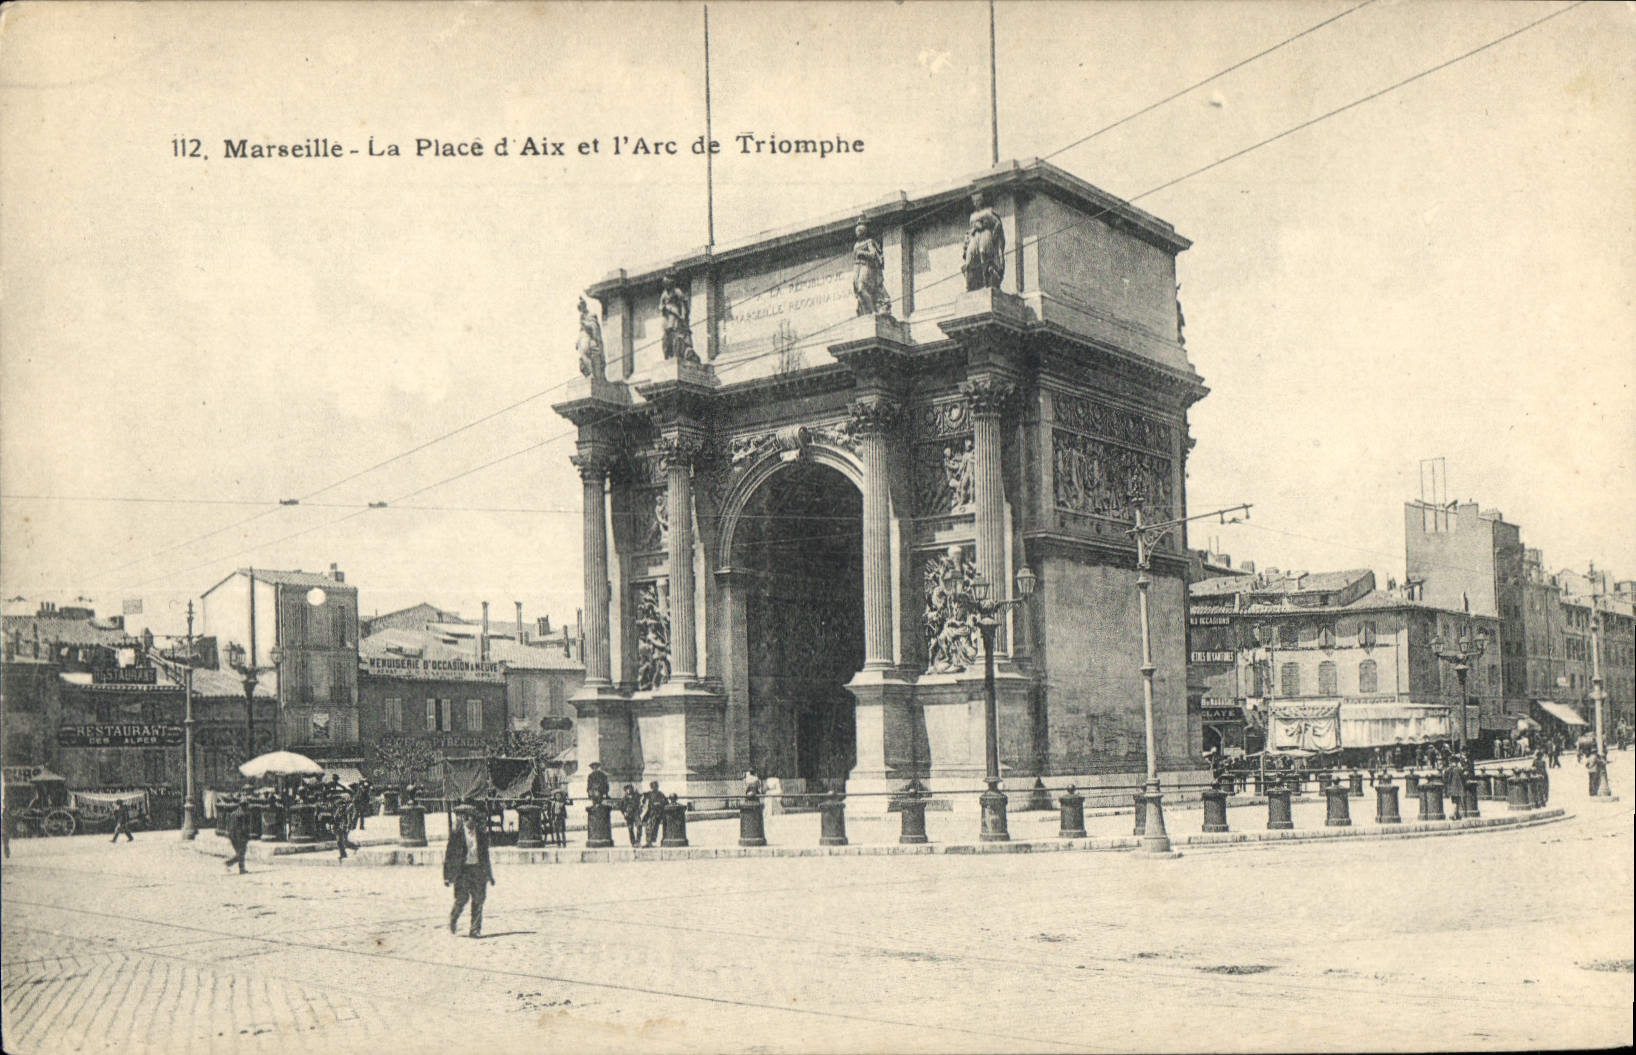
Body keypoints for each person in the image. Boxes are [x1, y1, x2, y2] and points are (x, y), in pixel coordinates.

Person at [443, 802, 494, 938]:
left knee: (479, 899)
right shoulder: (457, 834)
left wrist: (489, 875)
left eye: (473, 818)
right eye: (469, 818)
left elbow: (485, 856)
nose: (471, 821)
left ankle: (475, 929)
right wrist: (447, 876)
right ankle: (453, 918)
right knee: (462, 899)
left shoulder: (481, 835)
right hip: (463, 871)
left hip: (477, 870)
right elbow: (449, 856)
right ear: (465, 818)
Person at [224, 798, 252, 874]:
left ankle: (241, 869)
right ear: (244, 805)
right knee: (241, 853)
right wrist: (247, 835)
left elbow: (228, 824)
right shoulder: (243, 814)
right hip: (240, 836)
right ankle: (228, 863)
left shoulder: (234, 813)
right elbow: (243, 827)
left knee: (240, 853)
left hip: (232, 836)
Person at [640, 780, 667, 847]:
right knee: (648, 827)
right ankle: (648, 842)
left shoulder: (660, 794)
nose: (654, 788)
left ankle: (650, 842)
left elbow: (665, 803)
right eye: (653, 786)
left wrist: (659, 805)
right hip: (650, 813)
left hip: (657, 813)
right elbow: (642, 802)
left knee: (654, 828)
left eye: (656, 786)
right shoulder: (648, 794)